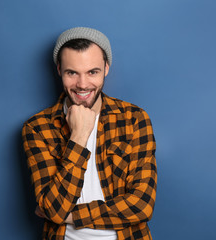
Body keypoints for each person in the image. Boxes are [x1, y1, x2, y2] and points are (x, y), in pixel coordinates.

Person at [22, 27, 157, 240]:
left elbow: (142, 205)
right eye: (72, 73)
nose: (82, 85)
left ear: (106, 68)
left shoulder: (134, 119)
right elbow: (54, 209)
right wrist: (78, 136)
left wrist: (72, 216)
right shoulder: (38, 128)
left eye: (92, 72)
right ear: (59, 70)